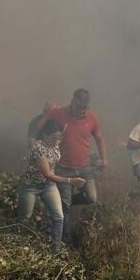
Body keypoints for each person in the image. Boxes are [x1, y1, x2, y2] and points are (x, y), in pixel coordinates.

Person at [48, 89, 109, 245]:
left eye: (85, 107)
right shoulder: (58, 113)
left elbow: (99, 139)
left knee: (91, 198)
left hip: (84, 168)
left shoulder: (91, 117)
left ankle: (60, 201)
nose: (82, 110)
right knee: (65, 207)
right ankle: (66, 241)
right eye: (79, 106)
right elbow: (42, 128)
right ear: (72, 101)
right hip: (63, 168)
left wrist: (104, 159)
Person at [17, 120, 86, 253]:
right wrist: (71, 180)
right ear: (45, 135)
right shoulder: (38, 148)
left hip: (48, 185)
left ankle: (56, 250)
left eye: (59, 137)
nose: (57, 141)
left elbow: (52, 168)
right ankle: (18, 244)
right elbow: (47, 174)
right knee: (25, 217)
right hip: (30, 186)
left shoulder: (55, 144)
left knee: (58, 217)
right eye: (54, 138)